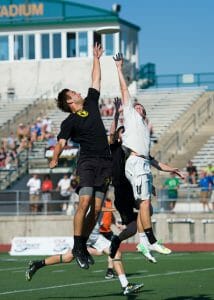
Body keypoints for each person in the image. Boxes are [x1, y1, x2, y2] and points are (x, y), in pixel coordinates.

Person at [113, 53, 185, 259]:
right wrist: (119, 68)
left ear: (144, 113)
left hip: (142, 163)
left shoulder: (143, 129)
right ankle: (151, 241)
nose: (137, 107)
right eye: (135, 106)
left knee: (147, 206)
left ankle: (144, 243)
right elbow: (125, 90)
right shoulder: (131, 116)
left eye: (140, 107)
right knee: (144, 203)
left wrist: (171, 168)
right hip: (135, 163)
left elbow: (152, 160)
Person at [49, 43, 112, 269]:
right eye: (74, 93)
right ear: (69, 101)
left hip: (105, 163)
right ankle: (77, 246)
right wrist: (56, 157)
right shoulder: (69, 122)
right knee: (84, 202)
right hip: (87, 162)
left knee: (96, 209)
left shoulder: (92, 102)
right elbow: (60, 142)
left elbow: (96, 80)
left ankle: (82, 245)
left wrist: (97, 58)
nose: (78, 92)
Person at [25, 222, 143, 296]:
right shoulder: (92, 195)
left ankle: (125, 286)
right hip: (84, 236)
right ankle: (37, 264)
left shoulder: (102, 197)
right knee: (67, 258)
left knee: (116, 253)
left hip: (96, 237)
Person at [108, 97, 156, 263]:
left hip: (134, 184)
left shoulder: (135, 148)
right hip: (121, 189)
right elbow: (112, 134)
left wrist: (152, 185)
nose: (123, 134)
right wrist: (115, 114)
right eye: (122, 132)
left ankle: (141, 242)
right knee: (133, 226)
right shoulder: (115, 147)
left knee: (146, 209)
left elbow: (146, 164)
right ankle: (122, 239)